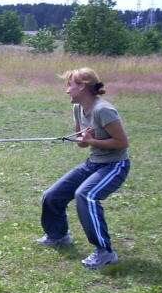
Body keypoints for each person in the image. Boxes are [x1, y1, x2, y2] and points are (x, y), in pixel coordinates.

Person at [36, 67, 130, 269]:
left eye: (69, 85)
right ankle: (58, 235)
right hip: (93, 163)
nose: (67, 90)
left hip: (114, 165)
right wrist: (83, 139)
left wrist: (92, 140)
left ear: (82, 86)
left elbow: (122, 142)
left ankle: (105, 252)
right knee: (52, 196)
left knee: (85, 196)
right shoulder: (78, 108)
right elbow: (82, 143)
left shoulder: (103, 109)